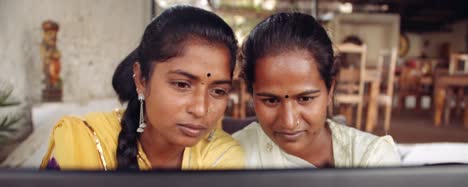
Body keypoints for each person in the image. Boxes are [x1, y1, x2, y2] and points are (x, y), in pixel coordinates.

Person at [41, 5, 244, 170]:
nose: (200, 109)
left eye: (218, 91)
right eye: (182, 84)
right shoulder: (82, 142)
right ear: (141, 79)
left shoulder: (223, 157)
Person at [233, 12, 400, 168]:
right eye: (271, 100)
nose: (289, 122)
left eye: (305, 99)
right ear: (252, 95)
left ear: (330, 90)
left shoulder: (370, 158)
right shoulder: (232, 157)